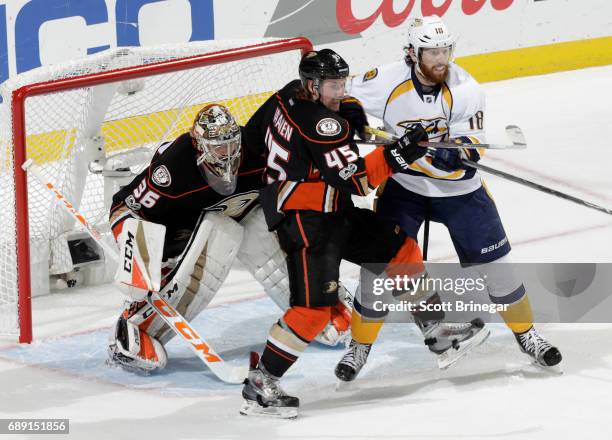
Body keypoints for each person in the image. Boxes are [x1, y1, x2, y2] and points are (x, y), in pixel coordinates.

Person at [239, 49, 487, 419]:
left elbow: (254, 138)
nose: (340, 91)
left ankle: (438, 336)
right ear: (313, 84)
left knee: (401, 249)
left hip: (330, 209)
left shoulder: (286, 95)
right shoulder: (323, 124)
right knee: (313, 311)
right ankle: (261, 383)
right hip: (305, 221)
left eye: (342, 84)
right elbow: (355, 180)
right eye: (334, 86)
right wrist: (401, 153)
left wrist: (346, 111)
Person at [343, 15, 562, 369]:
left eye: (445, 50)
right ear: (413, 53)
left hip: (460, 191)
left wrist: (456, 152)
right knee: (377, 269)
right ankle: (359, 347)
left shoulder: (466, 88)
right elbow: (345, 96)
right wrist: (356, 121)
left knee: (499, 269)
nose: (441, 59)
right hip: (405, 187)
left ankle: (527, 336)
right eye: (432, 52)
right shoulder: (385, 80)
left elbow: (472, 150)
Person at [106, 104, 351, 374]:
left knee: (261, 230)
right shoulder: (174, 167)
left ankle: (319, 305)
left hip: (238, 213)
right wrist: (139, 259)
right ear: (200, 146)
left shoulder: (259, 150)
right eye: (218, 147)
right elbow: (125, 208)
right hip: (177, 236)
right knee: (220, 235)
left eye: (232, 143)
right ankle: (136, 326)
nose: (228, 153)